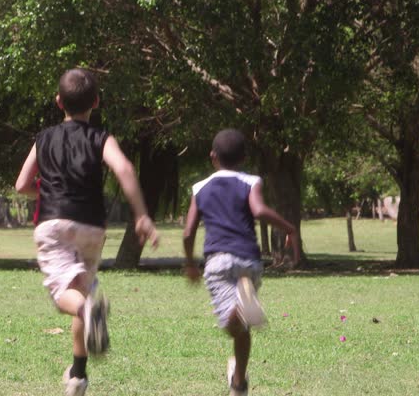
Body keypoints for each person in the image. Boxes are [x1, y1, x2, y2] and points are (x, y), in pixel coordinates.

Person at [15, 68, 158, 396]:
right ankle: (78, 374)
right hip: (92, 226)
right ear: (96, 101)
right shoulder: (102, 137)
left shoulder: (43, 138)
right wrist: (141, 216)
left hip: (53, 224)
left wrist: (48, 192)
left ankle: (87, 311)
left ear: (57, 101)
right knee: (81, 289)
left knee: (65, 295)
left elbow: (22, 184)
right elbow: (123, 168)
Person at [182, 128, 300, 396]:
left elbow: (189, 231)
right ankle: (238, 383)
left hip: (219, 261)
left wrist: (190, 263)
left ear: (212, 156)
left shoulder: (200, 187)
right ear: (244, 157)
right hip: (250, 260)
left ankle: (240, 308)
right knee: (243, 329)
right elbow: (258, 210)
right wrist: (290, 228)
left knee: (230, 323)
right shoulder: (251, 181)